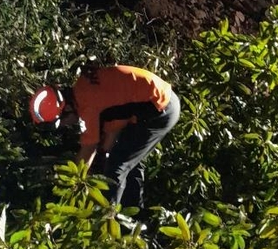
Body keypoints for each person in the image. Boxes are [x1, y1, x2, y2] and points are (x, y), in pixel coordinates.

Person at [28, 64, 180, 210]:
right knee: (128, 161)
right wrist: (102, 156)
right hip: (158, 101)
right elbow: (113, 126)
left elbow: (88, 151)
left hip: (160, 108)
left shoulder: (88, 106)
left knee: (117, 166)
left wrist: (70, 186)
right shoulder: (83, 87)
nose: (65, 125)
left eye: (61, 122)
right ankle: (135, 215)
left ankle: (106, 222)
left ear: (67, 108)